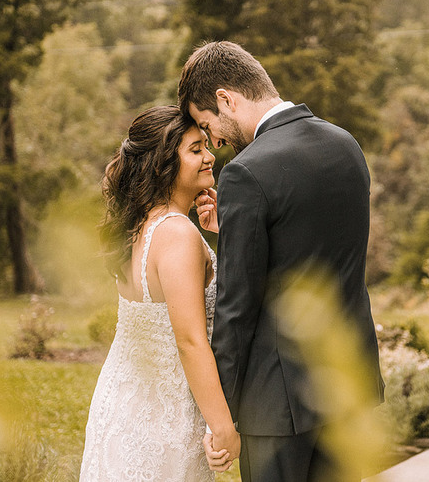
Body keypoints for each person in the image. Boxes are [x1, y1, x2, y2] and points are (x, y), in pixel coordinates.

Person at [178, 41, 385, 482]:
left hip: (278, 407)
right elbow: (313, 246)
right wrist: (233, 231)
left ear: (226, 99)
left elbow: (237, 308)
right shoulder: (346, 145)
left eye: (207, 125)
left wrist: (220, 414)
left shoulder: (247, 171)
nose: (215, 141)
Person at [79, 105, 240, 481]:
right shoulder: (177, 234)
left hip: (122, 404)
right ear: (162, 165)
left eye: (206, 146)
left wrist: (223, 232)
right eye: (196, 149)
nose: (209, 157)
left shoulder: (139, 226)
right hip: (164, 417)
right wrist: (222, 427)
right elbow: (190, 341)